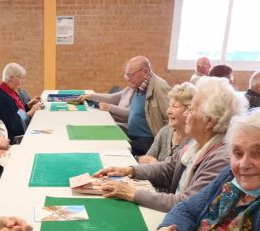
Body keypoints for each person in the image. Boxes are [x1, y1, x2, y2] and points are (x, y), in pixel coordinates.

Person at [94, 77, 245, 212]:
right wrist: (130, 170)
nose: (185, 114)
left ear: (209, 121)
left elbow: (187, 203)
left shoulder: (220, 159)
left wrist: (133, 193)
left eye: (191, 109)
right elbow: (168, 168)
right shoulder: (198, 144)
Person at [123, 55, 171, 156]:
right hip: (134, 135)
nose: (128, 79)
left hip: (148, 140)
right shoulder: (138, 85)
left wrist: (161, 147)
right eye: (126, 75)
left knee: (119, 148)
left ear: (145, 72)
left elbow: (170, 119)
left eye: (130, 75)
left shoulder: (160, 87)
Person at [139, 82, 197, 164]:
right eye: (169, 106)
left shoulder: (194, 141)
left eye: (175, 107)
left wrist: (156, 164)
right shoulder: (165, 131)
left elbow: (180, 170)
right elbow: (146, 159)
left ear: (189, 110)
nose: (168, 111)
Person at [0, 62, 42, 143]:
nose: (22, 81)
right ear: (11, 78)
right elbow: (17, 126)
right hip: (12, 137)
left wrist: (29, 105)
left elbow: (17, 111)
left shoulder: (9, 91)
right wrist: (32, 111)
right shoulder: (2, 97)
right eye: (20, 78)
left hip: (18, 129)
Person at [77, 66, 133, 131]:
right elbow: (111, 98)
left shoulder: (140, 95)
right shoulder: (129, 89)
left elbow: (132, 113)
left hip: (123, 127)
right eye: (126, 75)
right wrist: (90, 96)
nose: (127, 78)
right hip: (115, 121)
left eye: (130, 75)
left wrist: (110, 108)